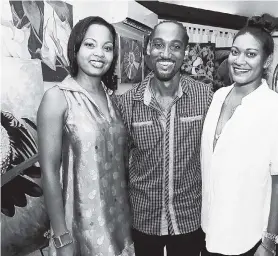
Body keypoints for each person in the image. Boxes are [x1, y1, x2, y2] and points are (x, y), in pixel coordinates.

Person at [115, 20, 213, 256]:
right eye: (159, 45)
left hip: (189, 216)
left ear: (185, 53)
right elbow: (120, 166)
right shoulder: (127, 103)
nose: (166, 54)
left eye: (175, 46)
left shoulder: (205, 97)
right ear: (148, 48)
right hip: (143, 218)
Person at [37, 16, 133, 256]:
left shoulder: (113, 100)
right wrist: (61, 235)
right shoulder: (58, 98)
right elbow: (48, 171)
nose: (99, 53)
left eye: (107, 47)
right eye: (90, 44)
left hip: (119, 224)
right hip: (79, 229)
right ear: (76, 47)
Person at [201, 14, 278, 256]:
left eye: (251, 54)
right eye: (235, 52)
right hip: (211, 228)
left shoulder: (276, 107)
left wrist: (269, 243)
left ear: (267, 61)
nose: (239, 61)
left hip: (250, 238)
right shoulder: (218, 96)